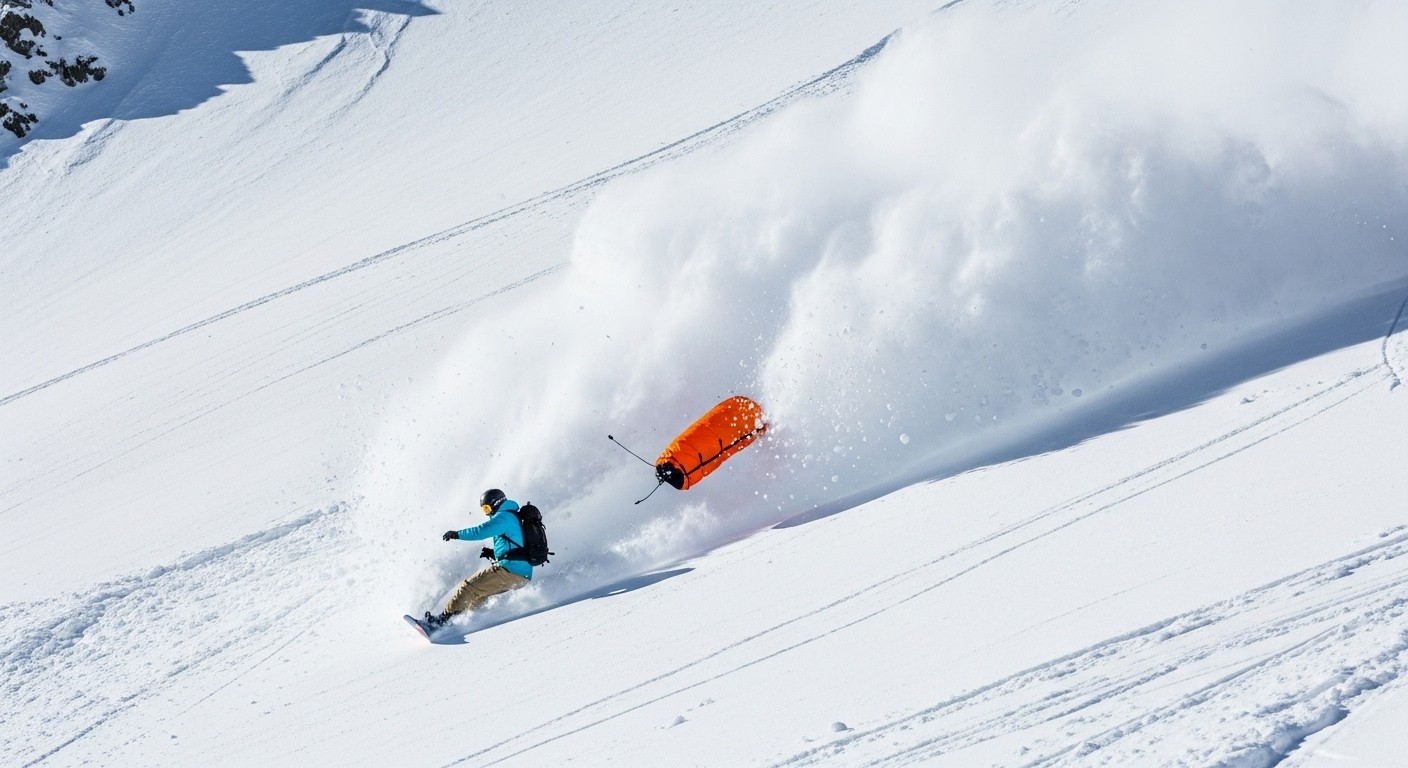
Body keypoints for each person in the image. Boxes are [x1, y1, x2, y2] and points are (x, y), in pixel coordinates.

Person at [422, 488, 533, 629]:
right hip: (520, 573)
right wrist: (493, 553)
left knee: (469, 587)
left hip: (511, 571)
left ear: (496, 503)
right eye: (484, 510)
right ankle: (458, 623)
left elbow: (481, 531)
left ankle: (441, 622)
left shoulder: (504, 517)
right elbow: (514, 544)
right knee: (478, 595)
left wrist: (457, 534)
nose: (487, 513)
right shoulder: (513, 516)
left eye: (487, 508)